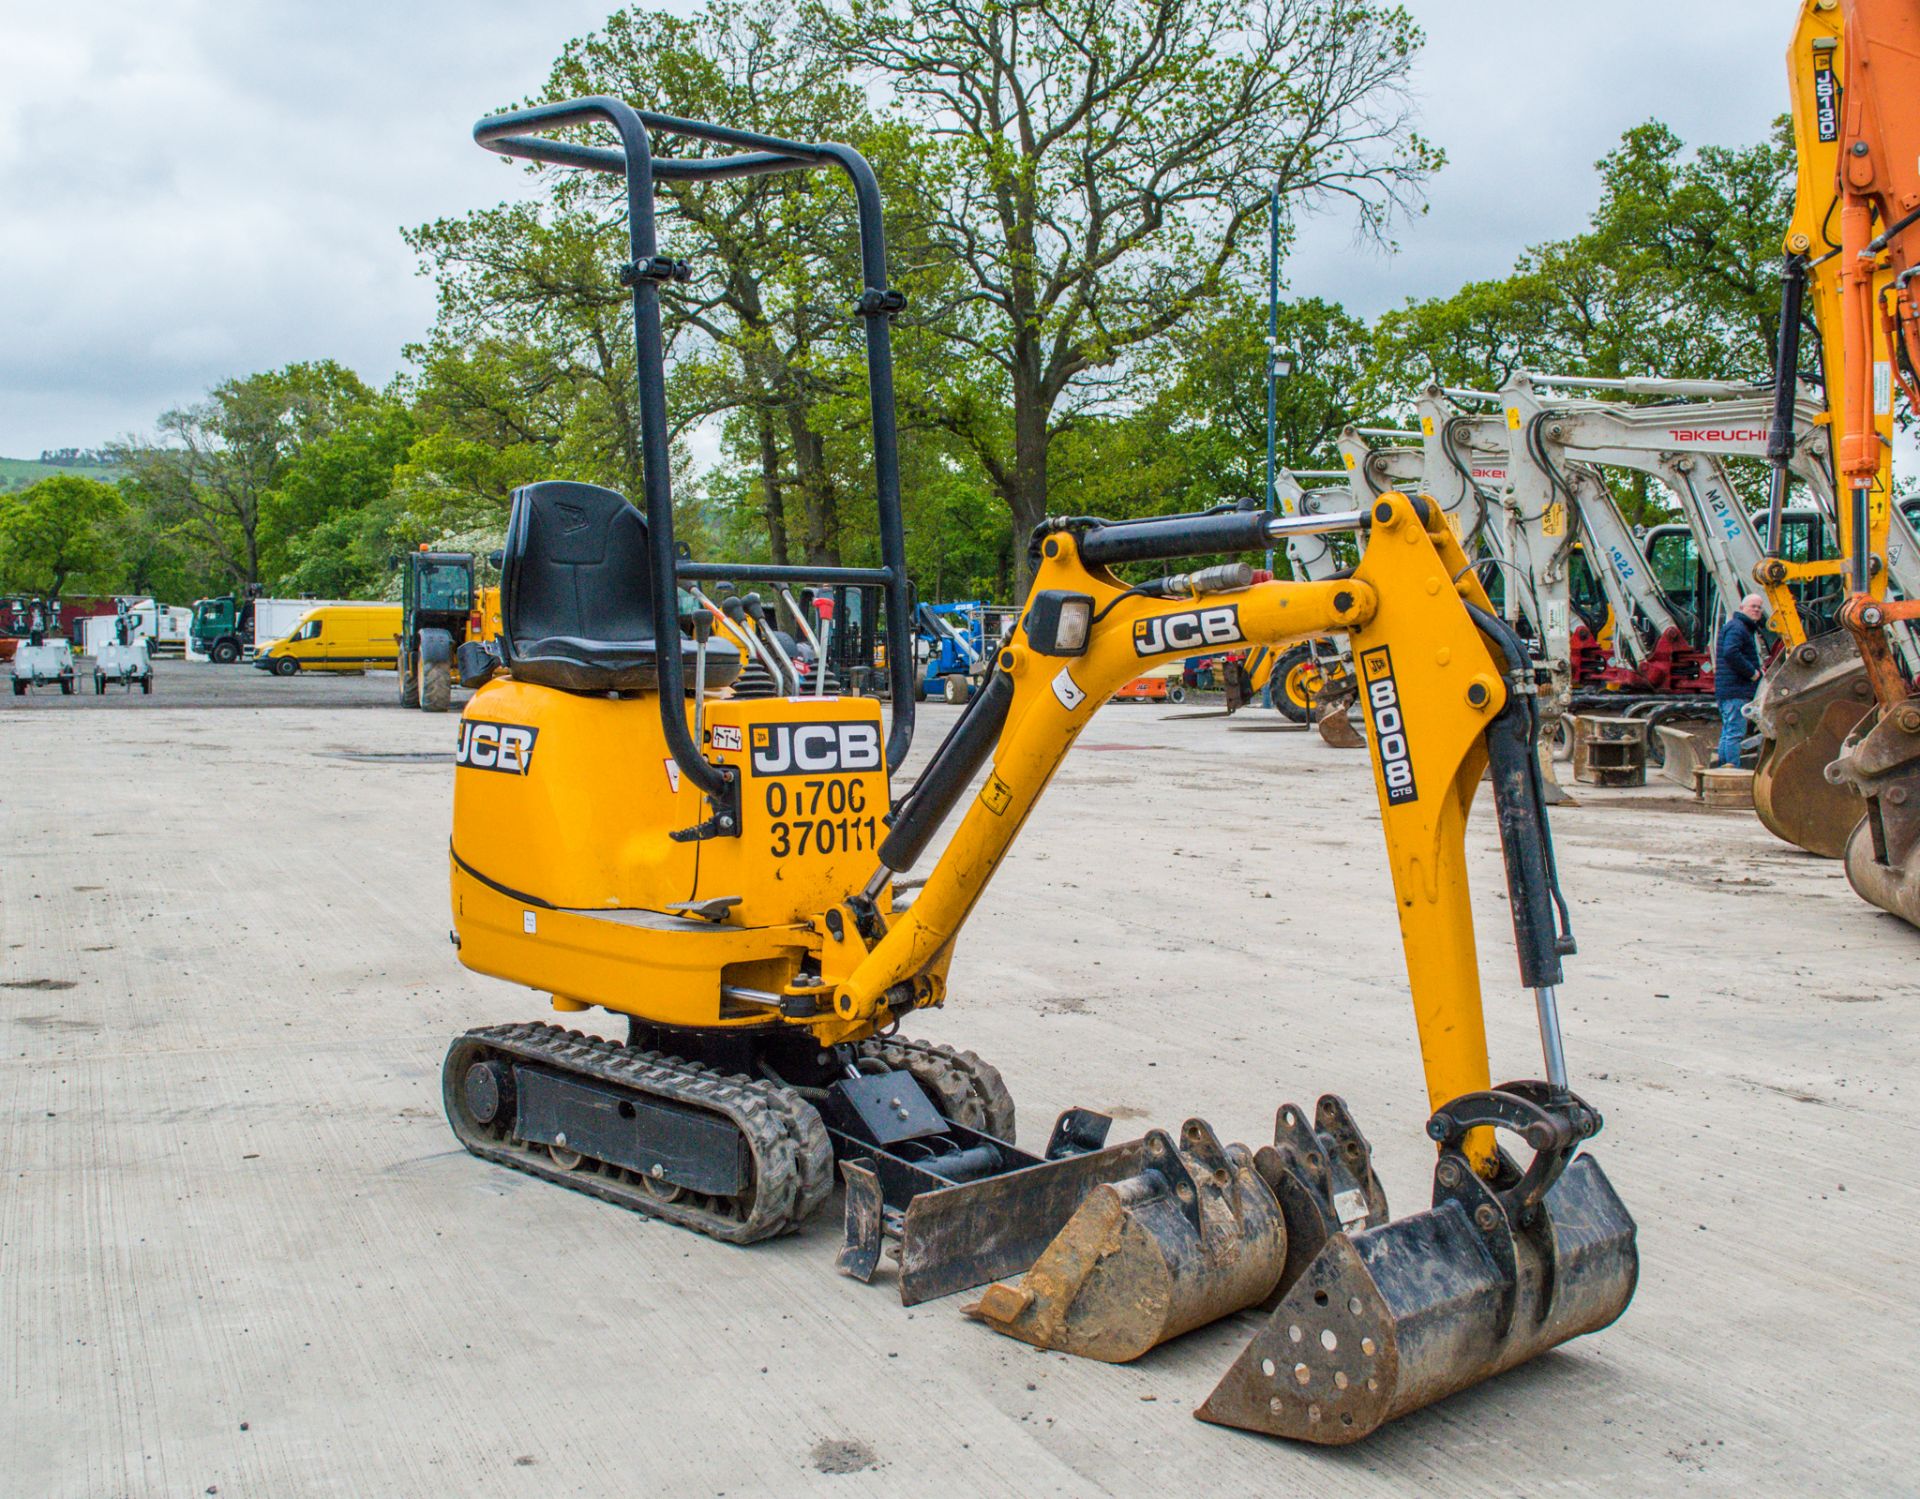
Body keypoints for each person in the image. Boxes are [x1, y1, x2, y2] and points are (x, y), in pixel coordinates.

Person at [1714, 593, 1768, 768]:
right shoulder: (1739, 628)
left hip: (1728, 689)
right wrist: (1752, 672)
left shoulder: (1737, 627)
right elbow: (1731, 653)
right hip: (1736, 690)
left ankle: (1724, 770)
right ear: (1742, 608)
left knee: (1728, 732)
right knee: (1735, 733)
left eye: (1759, 607)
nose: (1757, 610)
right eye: (1753, 606)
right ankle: (1731, 772)